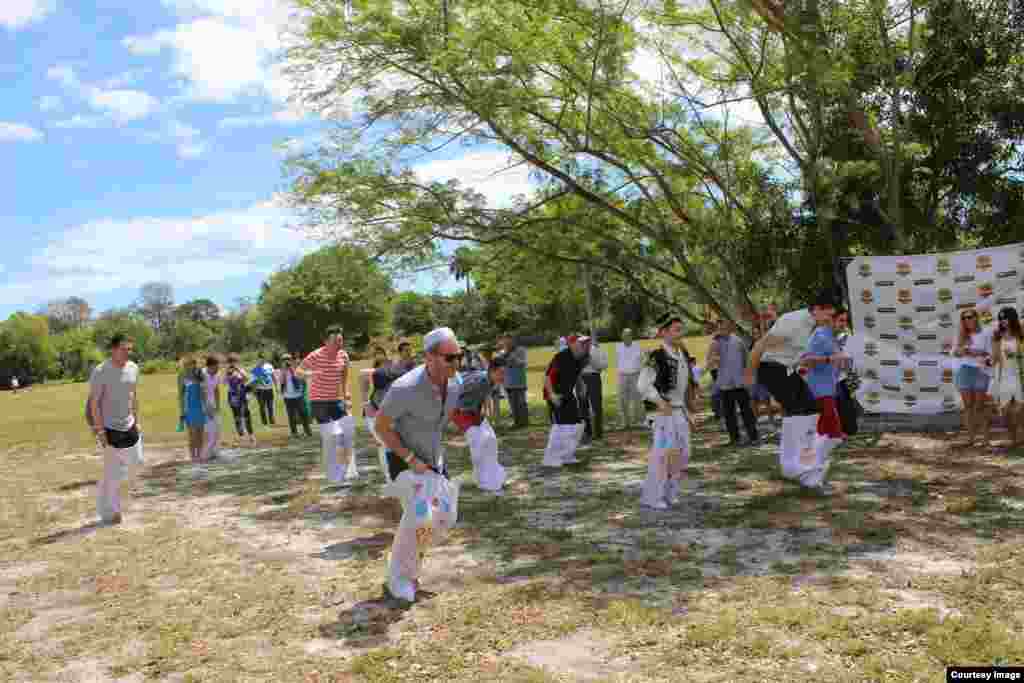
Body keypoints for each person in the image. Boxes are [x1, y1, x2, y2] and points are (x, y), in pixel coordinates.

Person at [375, 327, 462, 602]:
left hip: (433, 461)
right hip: (404, 462)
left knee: (442, 518)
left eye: (458, 356)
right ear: (429, 357)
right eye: (449, 358)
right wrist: (411, 459)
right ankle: (397, 580)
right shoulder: (405, 388)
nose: (456, 363)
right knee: (421, 518)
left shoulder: (456, 384)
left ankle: (409, 572)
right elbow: (381, 427)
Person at [745, 289, 837, 487]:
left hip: (786, 370)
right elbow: (760, 347)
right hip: (770, 368)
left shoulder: (813, 325)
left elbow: (797, 356)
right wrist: (749, 376)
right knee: (799, 410)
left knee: (813, 408)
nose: (831, 319)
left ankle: (801, 461)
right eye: (829, 315)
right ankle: (791, 465)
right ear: (818, 309)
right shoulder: (794, 321)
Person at [638, 314, 698, 509]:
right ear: (664, 332)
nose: (680, 333)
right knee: (664, 453)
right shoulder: (657, 356)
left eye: (681, 329)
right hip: (662, 415)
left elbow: (687, 379)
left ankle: (670, 492)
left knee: (683, 453)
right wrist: (659, 401)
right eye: (676, 329)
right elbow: (643, 385)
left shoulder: (682, 355)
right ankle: (653, 497)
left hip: (679, 412)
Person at [89, 334, 140, 525]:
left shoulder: (133, 368)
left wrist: (137, 420)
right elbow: (94, 403)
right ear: (113, 349)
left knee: (136, 462)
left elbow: (133, 395)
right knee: (113, 472)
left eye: (130, 349)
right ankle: (111, 511)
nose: (128, 353)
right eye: (124, 349)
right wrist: (100, 431)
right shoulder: (101, 371)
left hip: (129, 424)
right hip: (110, 427)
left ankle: (110, 496)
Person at [797, 309, 848, 490]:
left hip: (828, 392)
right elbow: (805, 360)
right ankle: (811, 477)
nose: (843, 324)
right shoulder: (820, 335)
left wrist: (842, 361)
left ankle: (810, 477)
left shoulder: (833, 338)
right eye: (840, 320)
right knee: (833, 435)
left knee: (823, 436)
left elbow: (837, 363)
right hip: (818, 393)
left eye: (845, 321)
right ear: (831, 320)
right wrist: (829, 358)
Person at [298, 326, 355, 485]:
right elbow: (298, 371)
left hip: (336, 400)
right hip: (319, 402)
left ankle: (345, 471)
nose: (339, 343)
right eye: (336, 341)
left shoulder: (343, 355)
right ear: (326, 342)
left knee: (345, 434)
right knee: (332, 436)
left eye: (341, 340)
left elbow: (345, 377)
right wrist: (310, 374)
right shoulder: (316, 355)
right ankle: (333, 475)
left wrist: (346, 395)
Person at [449, 355, 508, 493]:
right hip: (461, 412)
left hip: (473, 412)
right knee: (480, 443)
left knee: (491, 440)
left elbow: (486, 394)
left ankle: (493, 475)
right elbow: (455, 391)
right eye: (500, 373)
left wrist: (486, 409)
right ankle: (484, 479)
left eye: (504, 373)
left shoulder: (489, 380)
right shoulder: (479, 380)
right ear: (491, 371)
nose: (502, 377)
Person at [542, 335, 591, 467]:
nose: (586, 347)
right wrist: (552, 395)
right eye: (583, 345)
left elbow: (577, 374)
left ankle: (567, 455)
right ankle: (550, 459)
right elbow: (547, 377)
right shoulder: (560, 357)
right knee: (561, 425)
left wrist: (582, 385)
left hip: (568, 392)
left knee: (576, 423)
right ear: (573, 345)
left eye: (587, 345)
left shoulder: (581, 359)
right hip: (554, 393)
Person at [709, 319, 758, 447]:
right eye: (720, 327)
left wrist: (748, 377)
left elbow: (747, 360)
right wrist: (714, 355)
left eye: (724, 327)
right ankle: (734, 438)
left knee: (746, 411)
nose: (722, 329)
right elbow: (710, 361)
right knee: (728, 413)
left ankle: (753, 437)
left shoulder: (738, 341)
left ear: (730, 327)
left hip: (739, 383)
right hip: (725, 384)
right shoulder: (715, 343)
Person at [954, 307, 994, 447]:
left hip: (981, 371)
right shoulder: (961, 335)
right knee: (968, 407)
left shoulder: (986, 333)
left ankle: (985, 439)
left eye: (970, 316)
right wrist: (962, 350)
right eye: (964, 318)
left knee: (980, 407)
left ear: (976, 318)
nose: (967, 320)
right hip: (964, 371)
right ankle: (970, 438)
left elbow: (991, 354)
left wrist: (974, 352)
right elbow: (956, 353)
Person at [990, 307, 1024, 451]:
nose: (1004, 321)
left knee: (1019, 410)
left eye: (1006, 318)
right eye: (1001, 319)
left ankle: (1020, 440)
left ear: (1013, 319)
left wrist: (1017, 356)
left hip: (1019, 376)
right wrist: (988, 360)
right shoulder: (997, 337)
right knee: (1005, 411)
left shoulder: (1021, 335)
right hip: (1004, 376)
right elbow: (995, 358)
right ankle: (1012, 440)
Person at [178, 355, 207, 461]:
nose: (191, 366)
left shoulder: (200, 374)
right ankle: (193, 456)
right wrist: (181, 411)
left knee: (200, 434)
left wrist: (205, 407)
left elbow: (204, 392)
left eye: (193, 364)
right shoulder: (182, 376)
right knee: (192, 434)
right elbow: (180, 395)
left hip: (200, 407)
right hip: (189, 408)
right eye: (189, 364)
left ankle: (199, 455)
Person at [581, 335, 609, 442]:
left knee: (596, 405)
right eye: (584, 342)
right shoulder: (579, 352)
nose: (586, 344)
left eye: (588, 342)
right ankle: (587, 432)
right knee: (583, 406)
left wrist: (591, 361)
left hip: (594, 378)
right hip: (582, 378)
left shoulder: (599, 351)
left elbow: (603, 366)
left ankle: (598, 433)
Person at [224, 354, 256, 447]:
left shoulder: (241, 370)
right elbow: (223, 382)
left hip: (242, 395)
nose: (232, 364)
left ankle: (251, 435)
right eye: (230, 362)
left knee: (246, 415)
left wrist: (238, 371)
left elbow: (247, 379)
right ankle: (241, 436)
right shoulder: (227, 372)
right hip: (233, 396)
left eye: (234, 362)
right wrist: (227, 373)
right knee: (237, 416)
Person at [616, 328, 644, 429]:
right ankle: (624, 422)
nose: (625, 337)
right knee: (622, 399)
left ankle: (638, 421)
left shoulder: (637, 346)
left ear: (631, 336)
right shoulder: (618, 346)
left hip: (635, 375)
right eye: (624, 336)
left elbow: (641, 360)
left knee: (637, 399)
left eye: (628, 335)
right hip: (622, 375)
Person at [499, 334, 529, 428]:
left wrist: (514, 358)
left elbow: (523, 363)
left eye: (509, 341)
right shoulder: (502, 353)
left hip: (519, 382)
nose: (507, 343)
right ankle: (516, 422)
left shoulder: (521, 350)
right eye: (505, 341)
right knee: (513, 405)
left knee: (521, 403)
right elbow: (500, 366)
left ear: (513, 341)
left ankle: (524, 422)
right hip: (508, 382)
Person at [280, 354, 313, 438]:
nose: (286, 362)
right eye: (284, 360)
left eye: (288, 360)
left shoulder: (296, 369)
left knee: (303, 414)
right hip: (288, 397)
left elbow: (301, 378)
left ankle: (307, 431)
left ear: (291, 360)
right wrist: (284, 371)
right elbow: (281, 381)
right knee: (291, 416)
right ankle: (294, 433)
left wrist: (292, 370)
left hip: (298, 396)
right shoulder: (282, 371)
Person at [200, 356, 223, 462]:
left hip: (212, 403)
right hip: (202, 404)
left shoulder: (217, 374)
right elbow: (201, 392)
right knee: (209, 430)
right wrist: (206, 408)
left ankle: (215, 452)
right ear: (210, 366)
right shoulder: (202, 374)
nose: (219, 368)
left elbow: (217, 389)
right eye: (217, 366)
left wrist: (217, 406)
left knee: (218, 427)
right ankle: (204, 455)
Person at [251, 355, 277, 427]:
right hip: (260, 390)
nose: (261, 361)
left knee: (270, 406)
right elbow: (253, 381)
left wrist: (276, 386)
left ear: (264, 359)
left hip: (269, 389)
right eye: (259, 359)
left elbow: (273, 376)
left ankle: (272, 420)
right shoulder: (256, 369)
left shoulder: (269, 366)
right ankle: (264, 422)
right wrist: (254, 390)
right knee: (262, 407)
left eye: (262, 359)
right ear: (258, 360)